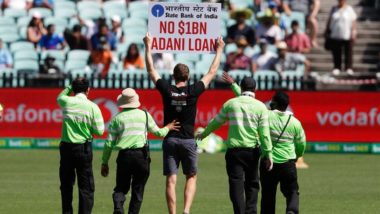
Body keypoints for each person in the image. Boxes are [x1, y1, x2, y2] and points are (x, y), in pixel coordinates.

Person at [143, 32, 225, 214]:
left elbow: (151, 70)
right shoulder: (193, 90)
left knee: (171, 180)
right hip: (188, 141)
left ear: (173, 77)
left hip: (170, 140)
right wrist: (219, 50)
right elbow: (212, 72)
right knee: (191, 176)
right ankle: (186, 211)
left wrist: (148, 46)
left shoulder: (167, 89)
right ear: (187, 77)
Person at [197, 75, 273, 214]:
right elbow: (265, 134)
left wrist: (204, 134)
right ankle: (251, 212)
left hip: (234, 152)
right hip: (252, 152)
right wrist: (268, 154)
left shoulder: (231, 104)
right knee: (252, 184)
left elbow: (216, 122)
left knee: (236, 185)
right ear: (255, 89)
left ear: (242, 87)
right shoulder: (261, 107)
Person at [101, 88, 180, 214]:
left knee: (120, 188)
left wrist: (104, 162)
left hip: (124, 157)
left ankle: (118, 208)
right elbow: (158, 132)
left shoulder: (117, 119)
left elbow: (109, 143)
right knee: (138, 191)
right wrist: (168, 127)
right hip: (141, 156)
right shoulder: (144, 115)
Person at [57, 77, 105, 214]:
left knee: (66, 185)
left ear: (73, 89)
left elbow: (60, 96)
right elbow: (100, 131)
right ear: (88, 90)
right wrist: (88, 127)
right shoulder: (93, 107)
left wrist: (69, 87)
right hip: (83, 149)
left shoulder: (66, 101)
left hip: (66, 148)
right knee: (86, 187)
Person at [259, 91, 306, 214]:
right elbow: (302, 143)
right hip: (287, 163)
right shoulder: (295, 122)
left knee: (268, 196)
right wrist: (298, 156)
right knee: (292, 192)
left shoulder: (266, 116)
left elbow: (250, 103)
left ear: (274, 103)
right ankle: (291, 210)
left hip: (268, 163)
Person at [325, 0, 357, 75]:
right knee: (336, 52)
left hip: (347, 34)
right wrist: (327, 30)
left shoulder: (349, 9)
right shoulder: (334, 9)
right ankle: (337, 67)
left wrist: (354, 32)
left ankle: (348, 67)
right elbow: (329, 20)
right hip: (335, 34)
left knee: (348, 52)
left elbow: (353, 21)